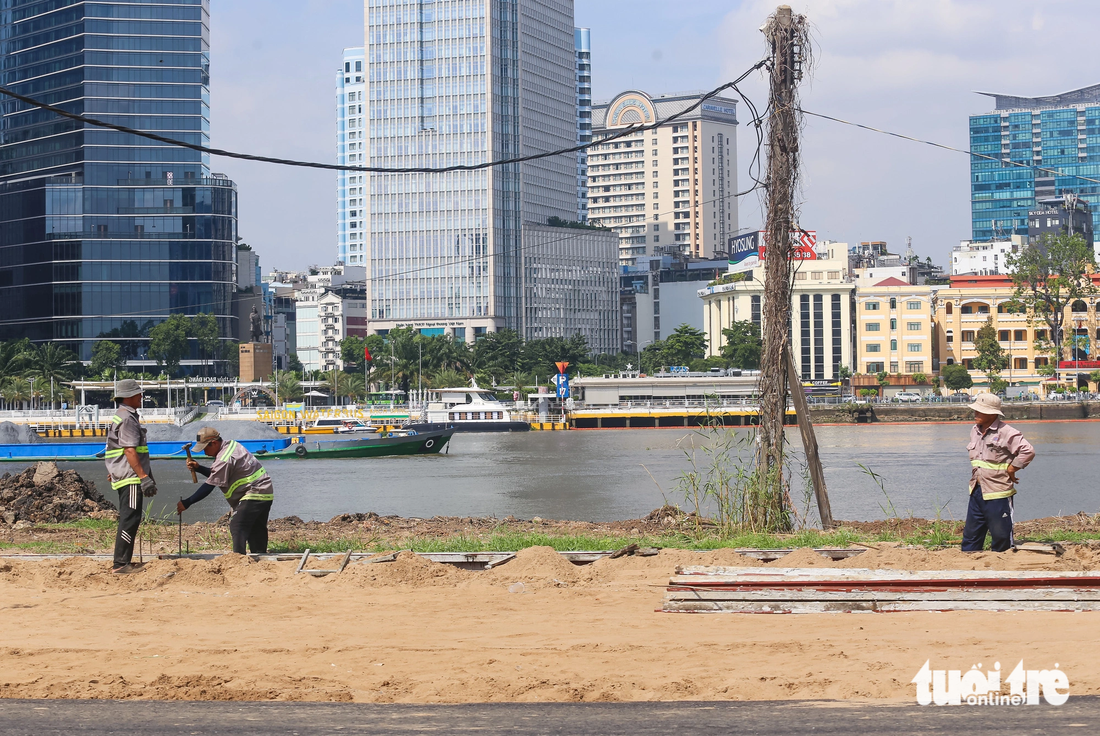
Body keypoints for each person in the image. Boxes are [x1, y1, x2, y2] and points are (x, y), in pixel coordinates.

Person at [177, 427, 274, 554]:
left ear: (214, 443)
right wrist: (199, 468)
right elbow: (219, 475)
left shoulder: (224, 458)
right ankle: (260, 556)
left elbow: (209, 486)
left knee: (237, 525)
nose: (204, 452)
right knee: (256, 528)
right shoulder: (230, 445)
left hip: (255, 492)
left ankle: (237, 560)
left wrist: (187, 502)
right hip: (264, 491)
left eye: (205, 448)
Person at [962, 393, 1035, 553]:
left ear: (992, 414)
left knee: (1001, 538)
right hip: (977, 490)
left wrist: (1012, 468)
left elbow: (1027, 451)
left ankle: (1003, 568)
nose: (975, 414)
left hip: (998, 493)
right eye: (975, 410)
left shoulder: (1007, 432)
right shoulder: (974, 430)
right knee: (970, 538)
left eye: (980, 411)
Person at [104, 379, 157, 573]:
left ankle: (122, 562)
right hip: (130, 477)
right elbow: (129, 451)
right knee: (130, 519)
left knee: (130, 517)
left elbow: (114, 449)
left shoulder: (121, 415)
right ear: (128, 396)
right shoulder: (128, 418)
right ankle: (121, 564)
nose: (141, 397)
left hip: (124, 474)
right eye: (138, 394)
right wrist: (143, 477)